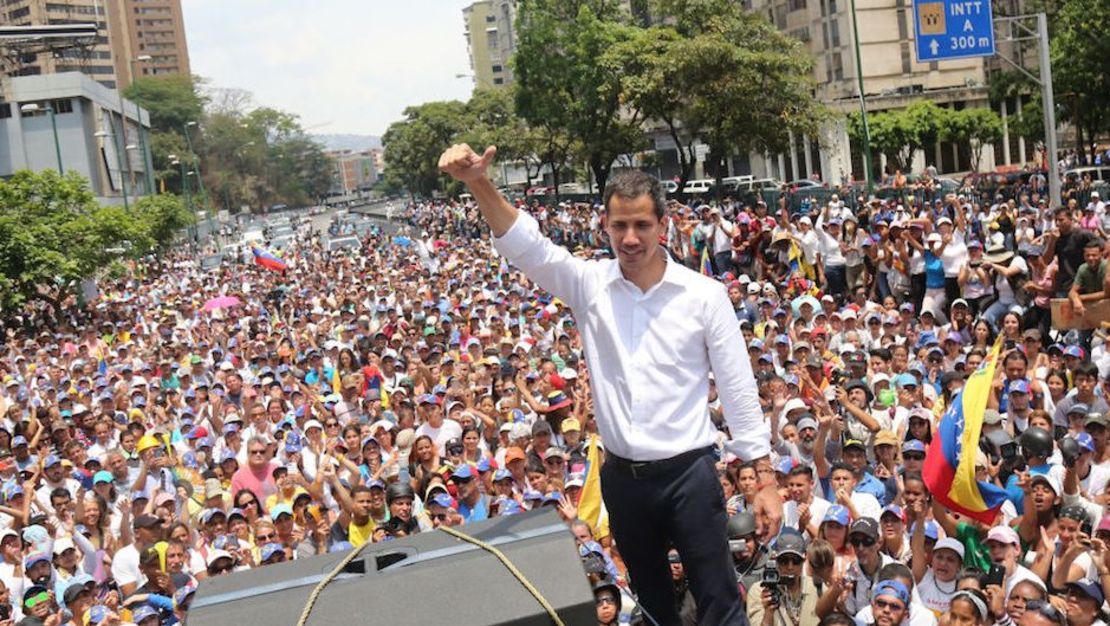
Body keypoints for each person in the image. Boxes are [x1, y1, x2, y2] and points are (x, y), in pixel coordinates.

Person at [440, 143, 772, 625]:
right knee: (653, 608)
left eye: (641, 225)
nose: (630, 238)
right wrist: (478, 182)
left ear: (663, 225)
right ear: (605, 226)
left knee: (719, 603)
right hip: (622, 479)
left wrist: (763, 478)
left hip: (690, 477)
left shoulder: (705, 296)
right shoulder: (587, 284)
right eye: (619, 225)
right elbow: (526, 245)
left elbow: (738, 388)